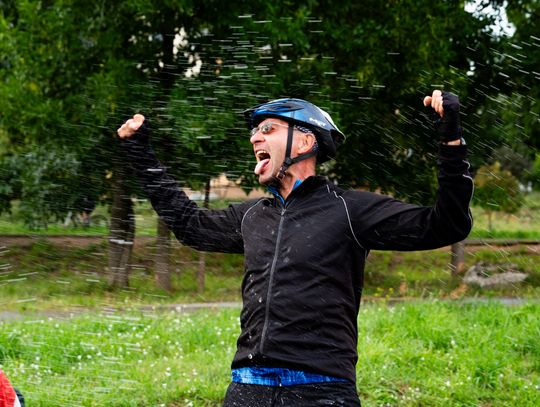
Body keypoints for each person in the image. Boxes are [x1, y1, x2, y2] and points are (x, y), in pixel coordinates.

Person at [117, 90, 473, 406]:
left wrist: (451, 141)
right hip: (247, 389)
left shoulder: (349, 210)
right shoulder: (252, 215)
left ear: (304, 142)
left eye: (268, 129)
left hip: (322, 389)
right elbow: (190, 225)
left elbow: (446, 224)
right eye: (254, 132)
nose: (255, 137)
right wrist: (141, 153)